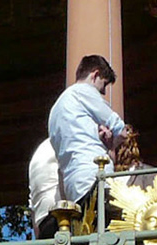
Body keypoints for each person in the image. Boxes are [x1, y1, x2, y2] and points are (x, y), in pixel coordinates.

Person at [47, 55, 130, 207]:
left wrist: (99, 138)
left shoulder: (55, 111)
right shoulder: (83, 91)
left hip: (72, 185)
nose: (103, 92)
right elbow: (122, 131)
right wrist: (111, 146)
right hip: (93, 176)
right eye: (103, 86)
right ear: (95, 75)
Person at [28, 137, 62, 239]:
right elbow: (63, 176)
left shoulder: (39, 152)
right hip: (62, 218)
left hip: (43, 224)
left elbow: (33, 209)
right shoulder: (64, 139)